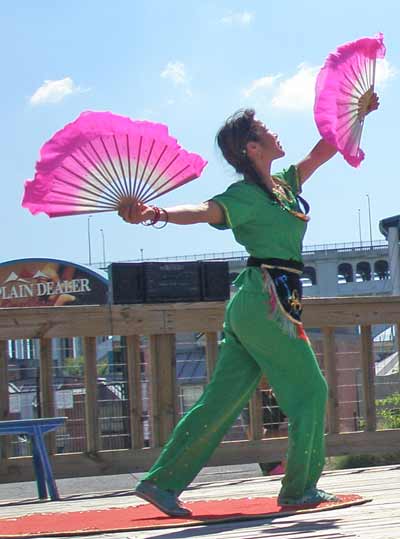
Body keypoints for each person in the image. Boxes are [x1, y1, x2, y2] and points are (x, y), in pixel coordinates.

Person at [119, 101, 378, 516]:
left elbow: (323, 150)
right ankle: (299, 489)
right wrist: (155, 213)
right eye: (264, 129)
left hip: (259, 301)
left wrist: (357, 114)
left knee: (221, 401)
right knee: (311, 391)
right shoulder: (243, 195)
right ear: (250, 148)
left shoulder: (284, 186)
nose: (274, 132)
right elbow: (205, 211)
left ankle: (161, 482)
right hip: (265, 300)